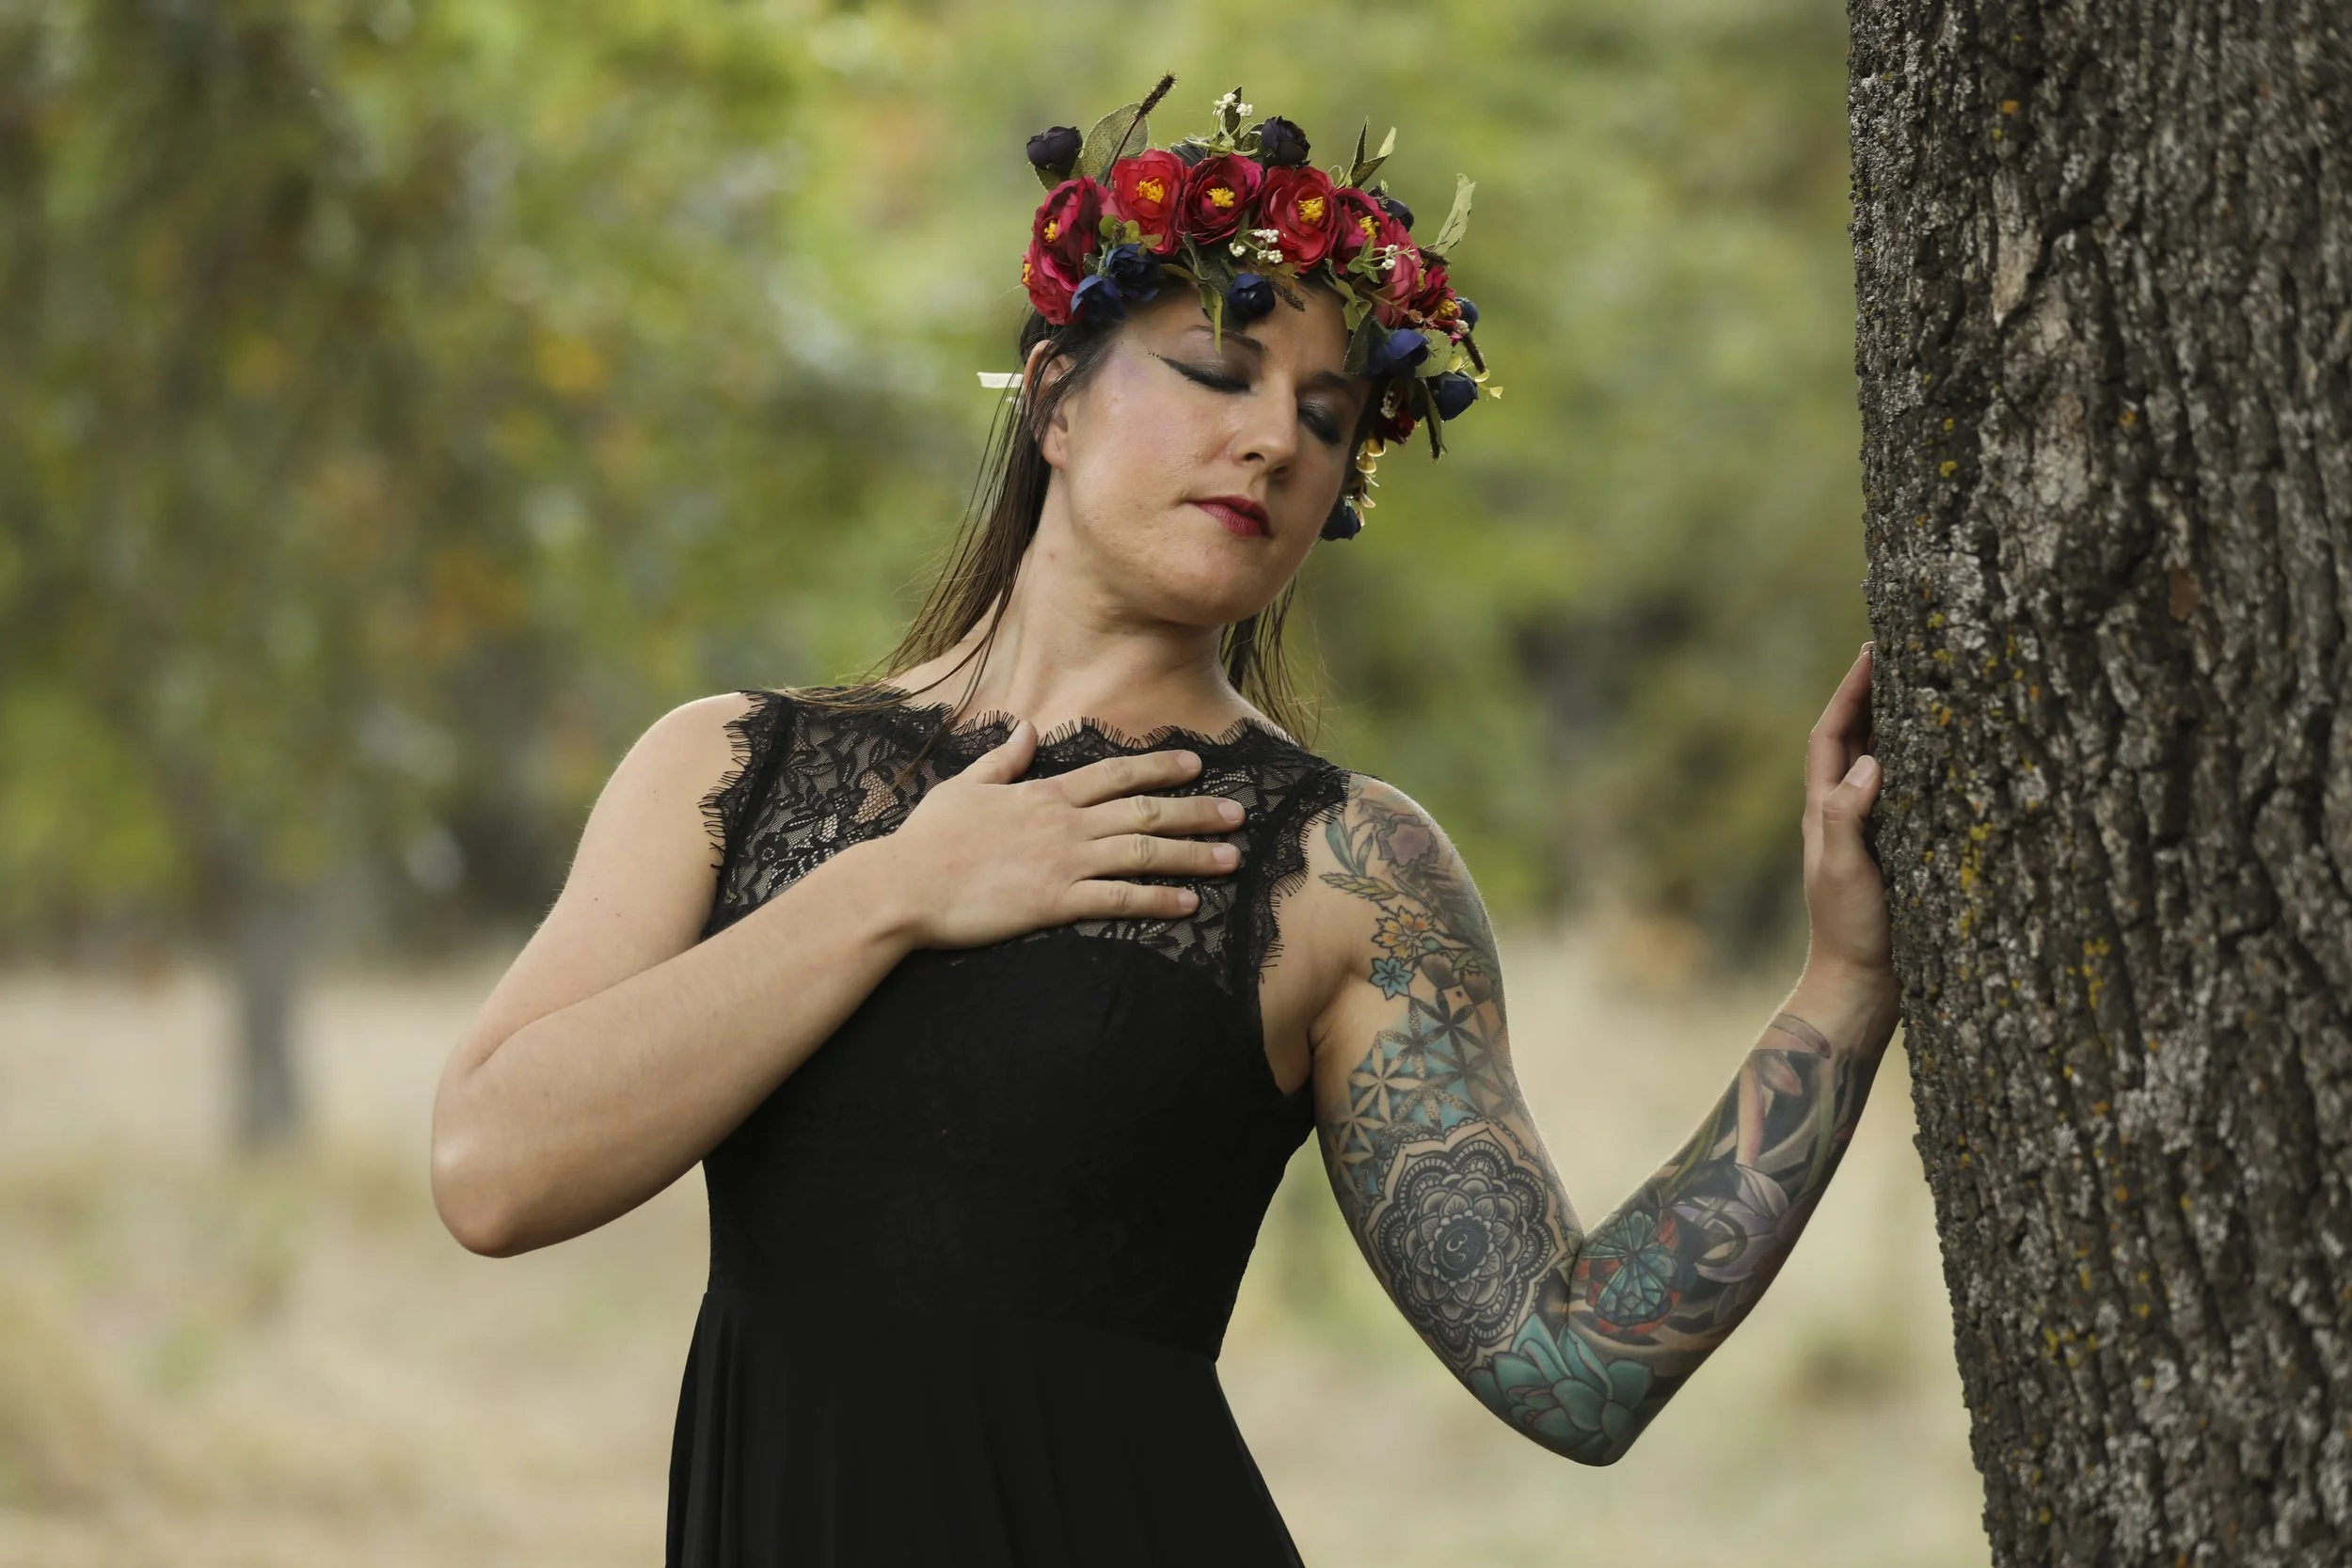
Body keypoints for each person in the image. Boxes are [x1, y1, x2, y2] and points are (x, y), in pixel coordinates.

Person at [429, 79, 1899, 1567]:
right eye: (1218, 373)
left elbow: (1574, 1365)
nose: (1273, 440)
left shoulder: (1343, 868)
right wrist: (894, 888)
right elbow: (493, 1171)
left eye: (1326, 419)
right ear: (1056, 402)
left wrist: (1842, 987)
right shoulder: (731, 765)